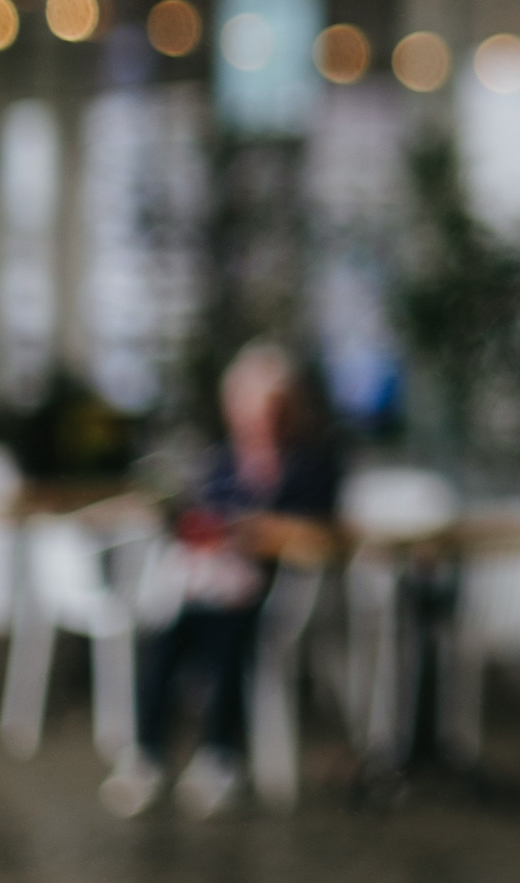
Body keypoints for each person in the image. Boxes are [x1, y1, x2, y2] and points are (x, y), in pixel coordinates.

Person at [101, 339, 338, 820]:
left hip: (276, 592)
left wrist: (259, 531)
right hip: (214, 583)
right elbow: (202, 516)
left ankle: (219, 757)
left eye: (270, 406)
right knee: (165, 634)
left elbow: (319, 531)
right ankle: (146, 755)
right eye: (249, 406)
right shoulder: (222, 461)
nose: (258, 418)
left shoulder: (312, 464)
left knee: (230, 635)